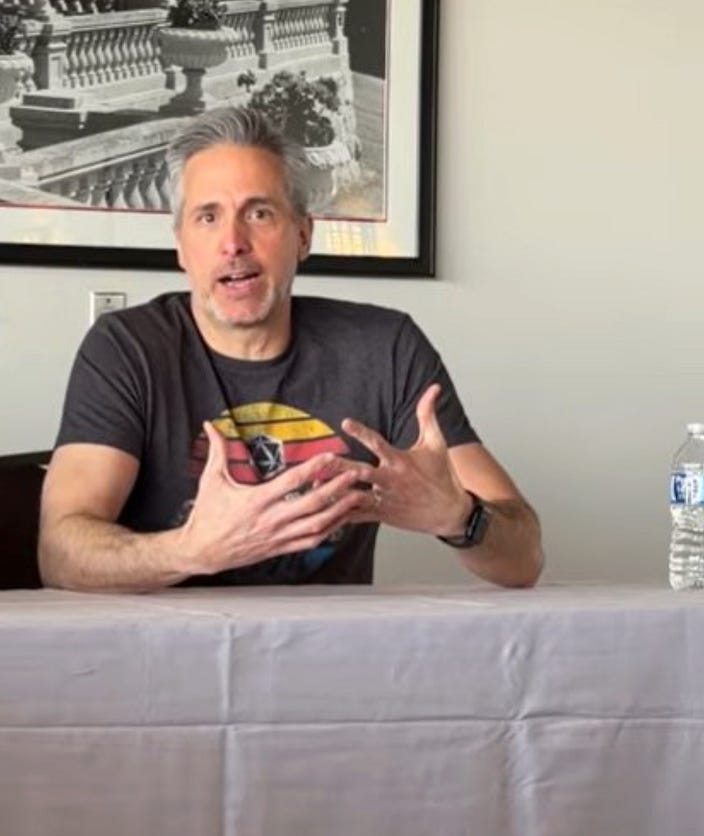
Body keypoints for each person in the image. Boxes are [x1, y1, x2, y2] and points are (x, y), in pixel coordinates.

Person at [39, 107, 542, 591]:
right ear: (181, 246)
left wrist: (459, 516)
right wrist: (189, 550)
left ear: (302, 235)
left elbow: (523, 562)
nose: (233, 242)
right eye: (208, 217)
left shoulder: (386, 349)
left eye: (259, 213)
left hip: (330, 644)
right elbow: (60, 555)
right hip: (165, 644)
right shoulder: (127, 349)